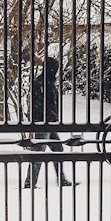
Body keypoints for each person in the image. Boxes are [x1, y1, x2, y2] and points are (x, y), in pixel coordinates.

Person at [21, 56, 71, 189]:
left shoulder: (46, 82)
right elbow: (40, 104)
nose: (56, 71)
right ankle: (29, 183)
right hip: (43, 123)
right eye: (55, 69)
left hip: (49, 123)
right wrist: (48, 118)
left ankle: (61, 179)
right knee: (39, 152)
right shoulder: (42, 83)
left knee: (58, 149)